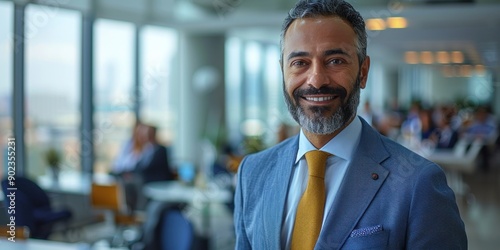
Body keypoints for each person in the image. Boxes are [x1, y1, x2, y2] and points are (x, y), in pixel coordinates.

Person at [233, 1, 467, 249]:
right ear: (283, 71)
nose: (316, 80)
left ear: (363, 72)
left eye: (335, 61)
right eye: (300, 62)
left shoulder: (418, 183)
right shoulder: (253, 173)